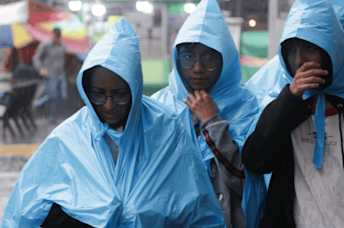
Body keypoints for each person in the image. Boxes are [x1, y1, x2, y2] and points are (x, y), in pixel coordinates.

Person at [2, 18, 225, 227]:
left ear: (135, 90)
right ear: (85, 91)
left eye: (119, 95)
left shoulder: (165, 128)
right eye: (98, 95)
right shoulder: (70, 136)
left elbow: (198, 207)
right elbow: (26, 206)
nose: (109, 105)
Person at [241, 0, 344, 227]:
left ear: (333, 50)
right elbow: (255, 161)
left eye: (310, 48)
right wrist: (289, 99)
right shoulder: (284, 110)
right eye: (292, 50)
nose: (299, 61)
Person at [151, 0, 266, 227]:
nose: (197, 68)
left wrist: (212, 123)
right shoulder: (160, 106)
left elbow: (248, 181)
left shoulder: (246, 104)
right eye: (188, 57)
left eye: (209, 58)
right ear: (177, 58)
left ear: (226, 60)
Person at [33, 27, 67, 124]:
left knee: (63, 97)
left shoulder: (63, 46)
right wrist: (40, 69)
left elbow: (63, 60)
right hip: (49, 75)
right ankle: (39, 103)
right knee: (53, 96)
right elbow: (36, 58)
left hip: (61, 75)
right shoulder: (45, 45)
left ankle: (53, 117)